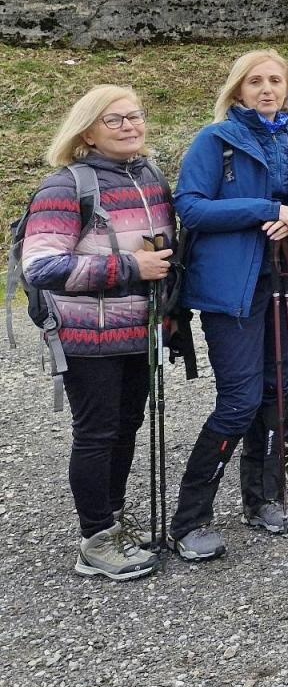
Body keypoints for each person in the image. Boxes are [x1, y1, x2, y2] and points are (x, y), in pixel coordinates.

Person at [169, 50, 288, 560]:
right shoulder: (214, 141)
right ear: (237, 90)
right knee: (238, 400)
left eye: (275, 81)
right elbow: (190, 207)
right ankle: (190, 518)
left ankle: (260, 500)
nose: (266, 89)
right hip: (232, 290)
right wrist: (265, 209)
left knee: (276, 393)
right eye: (255, 81)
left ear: (287, 88)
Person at [21, 86, 174, 580]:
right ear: (87, 131)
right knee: (96, 432)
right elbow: (41, 266)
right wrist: (131, 266)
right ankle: (95, 539)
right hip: (87, 335)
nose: (130, 126)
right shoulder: (64, 187)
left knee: (126, 426)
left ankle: (111, 523)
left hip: (139, 330)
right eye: (115, 121)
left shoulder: (149, 176)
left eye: (135, 116)